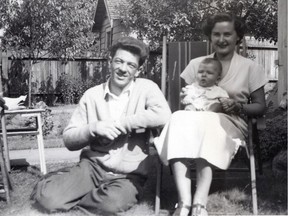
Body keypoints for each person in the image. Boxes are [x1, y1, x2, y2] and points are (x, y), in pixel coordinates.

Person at [30, 36, 171, 215]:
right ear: (109, 61)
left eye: (131, 65)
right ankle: (66, 188)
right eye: (119, 61)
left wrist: (123, 123)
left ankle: (76, 194)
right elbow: (69, 139)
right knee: (48, 200)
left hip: (129, 175)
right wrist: (93, 128)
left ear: (138, 70)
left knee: (111, 205)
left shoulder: (146, 88)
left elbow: (164, 115)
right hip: (92, 168)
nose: (123, 69)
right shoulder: (92, 95)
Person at [155, 13, 266, 216]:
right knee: (179, 118)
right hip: (196, 118)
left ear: (237, 37)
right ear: (210, 37)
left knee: (207, 121)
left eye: (227, 34)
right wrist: (185, 99)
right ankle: (184, 200)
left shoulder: (251, 67)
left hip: (230, 121)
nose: (221, 39)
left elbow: (260, 107)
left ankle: (200, 201)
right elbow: (180, 100)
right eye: (216, 34)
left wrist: (239, 107)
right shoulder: (197, 64)